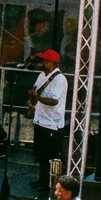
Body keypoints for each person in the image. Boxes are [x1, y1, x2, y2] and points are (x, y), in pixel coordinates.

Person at [29, 50, 68, 190]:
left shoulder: (60, 79)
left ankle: (50, 184)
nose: (42, 63)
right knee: (40, 155)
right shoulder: (41, 75)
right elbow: (35, 90)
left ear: (52, 63)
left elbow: (53, 101)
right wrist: (31, 99)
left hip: (52, 123)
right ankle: (42, 180)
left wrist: (38, 98)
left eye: (45, 60)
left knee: (49, 156)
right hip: (40, 120)